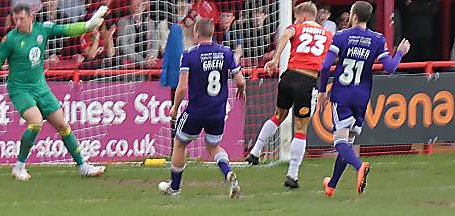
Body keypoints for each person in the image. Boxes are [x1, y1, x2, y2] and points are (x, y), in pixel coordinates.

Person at [0, 3, 107, 181]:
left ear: (31, 17)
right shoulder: (10, 39)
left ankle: (83, 166)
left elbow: (67, 29)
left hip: (40, 87)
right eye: (15, 19)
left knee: (62, 124)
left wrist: (89, 25)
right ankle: (19, 167)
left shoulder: (42, 29)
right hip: (20, 89)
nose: (18, 23)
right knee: (36, 121)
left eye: (21, 19)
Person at [317, 1, 410, 197]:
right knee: (348, 143)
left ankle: (359, 166)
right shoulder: (377, 39)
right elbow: (390, 67)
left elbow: (325, 67)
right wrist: (400, 52)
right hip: (362, 96)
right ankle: (331, 185)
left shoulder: (342, 36)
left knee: (339, 141)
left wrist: (322, 91)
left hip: (342, 93)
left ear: (353, 15)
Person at [245, 2, 332, 189]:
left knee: (278, 115)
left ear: (302, 16)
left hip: (289, 76)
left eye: (296, 17)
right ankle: (292, 175)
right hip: (307, 80)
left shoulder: (297, 27)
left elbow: (286, 33)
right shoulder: (327, 34)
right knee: (301, 128)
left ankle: (255, 151)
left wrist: (276, 59)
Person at [157, 18, 246, 198]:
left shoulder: (189, 55)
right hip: (218, 111)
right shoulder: (226, 52)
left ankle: (174, 188)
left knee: (180, 144)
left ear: (196, 34)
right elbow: (241, 81)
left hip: (196, 111)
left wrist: (174, 108)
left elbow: (182, 88)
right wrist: (241, 90)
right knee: (214, 146)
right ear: (212, 33)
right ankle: (228, 172)